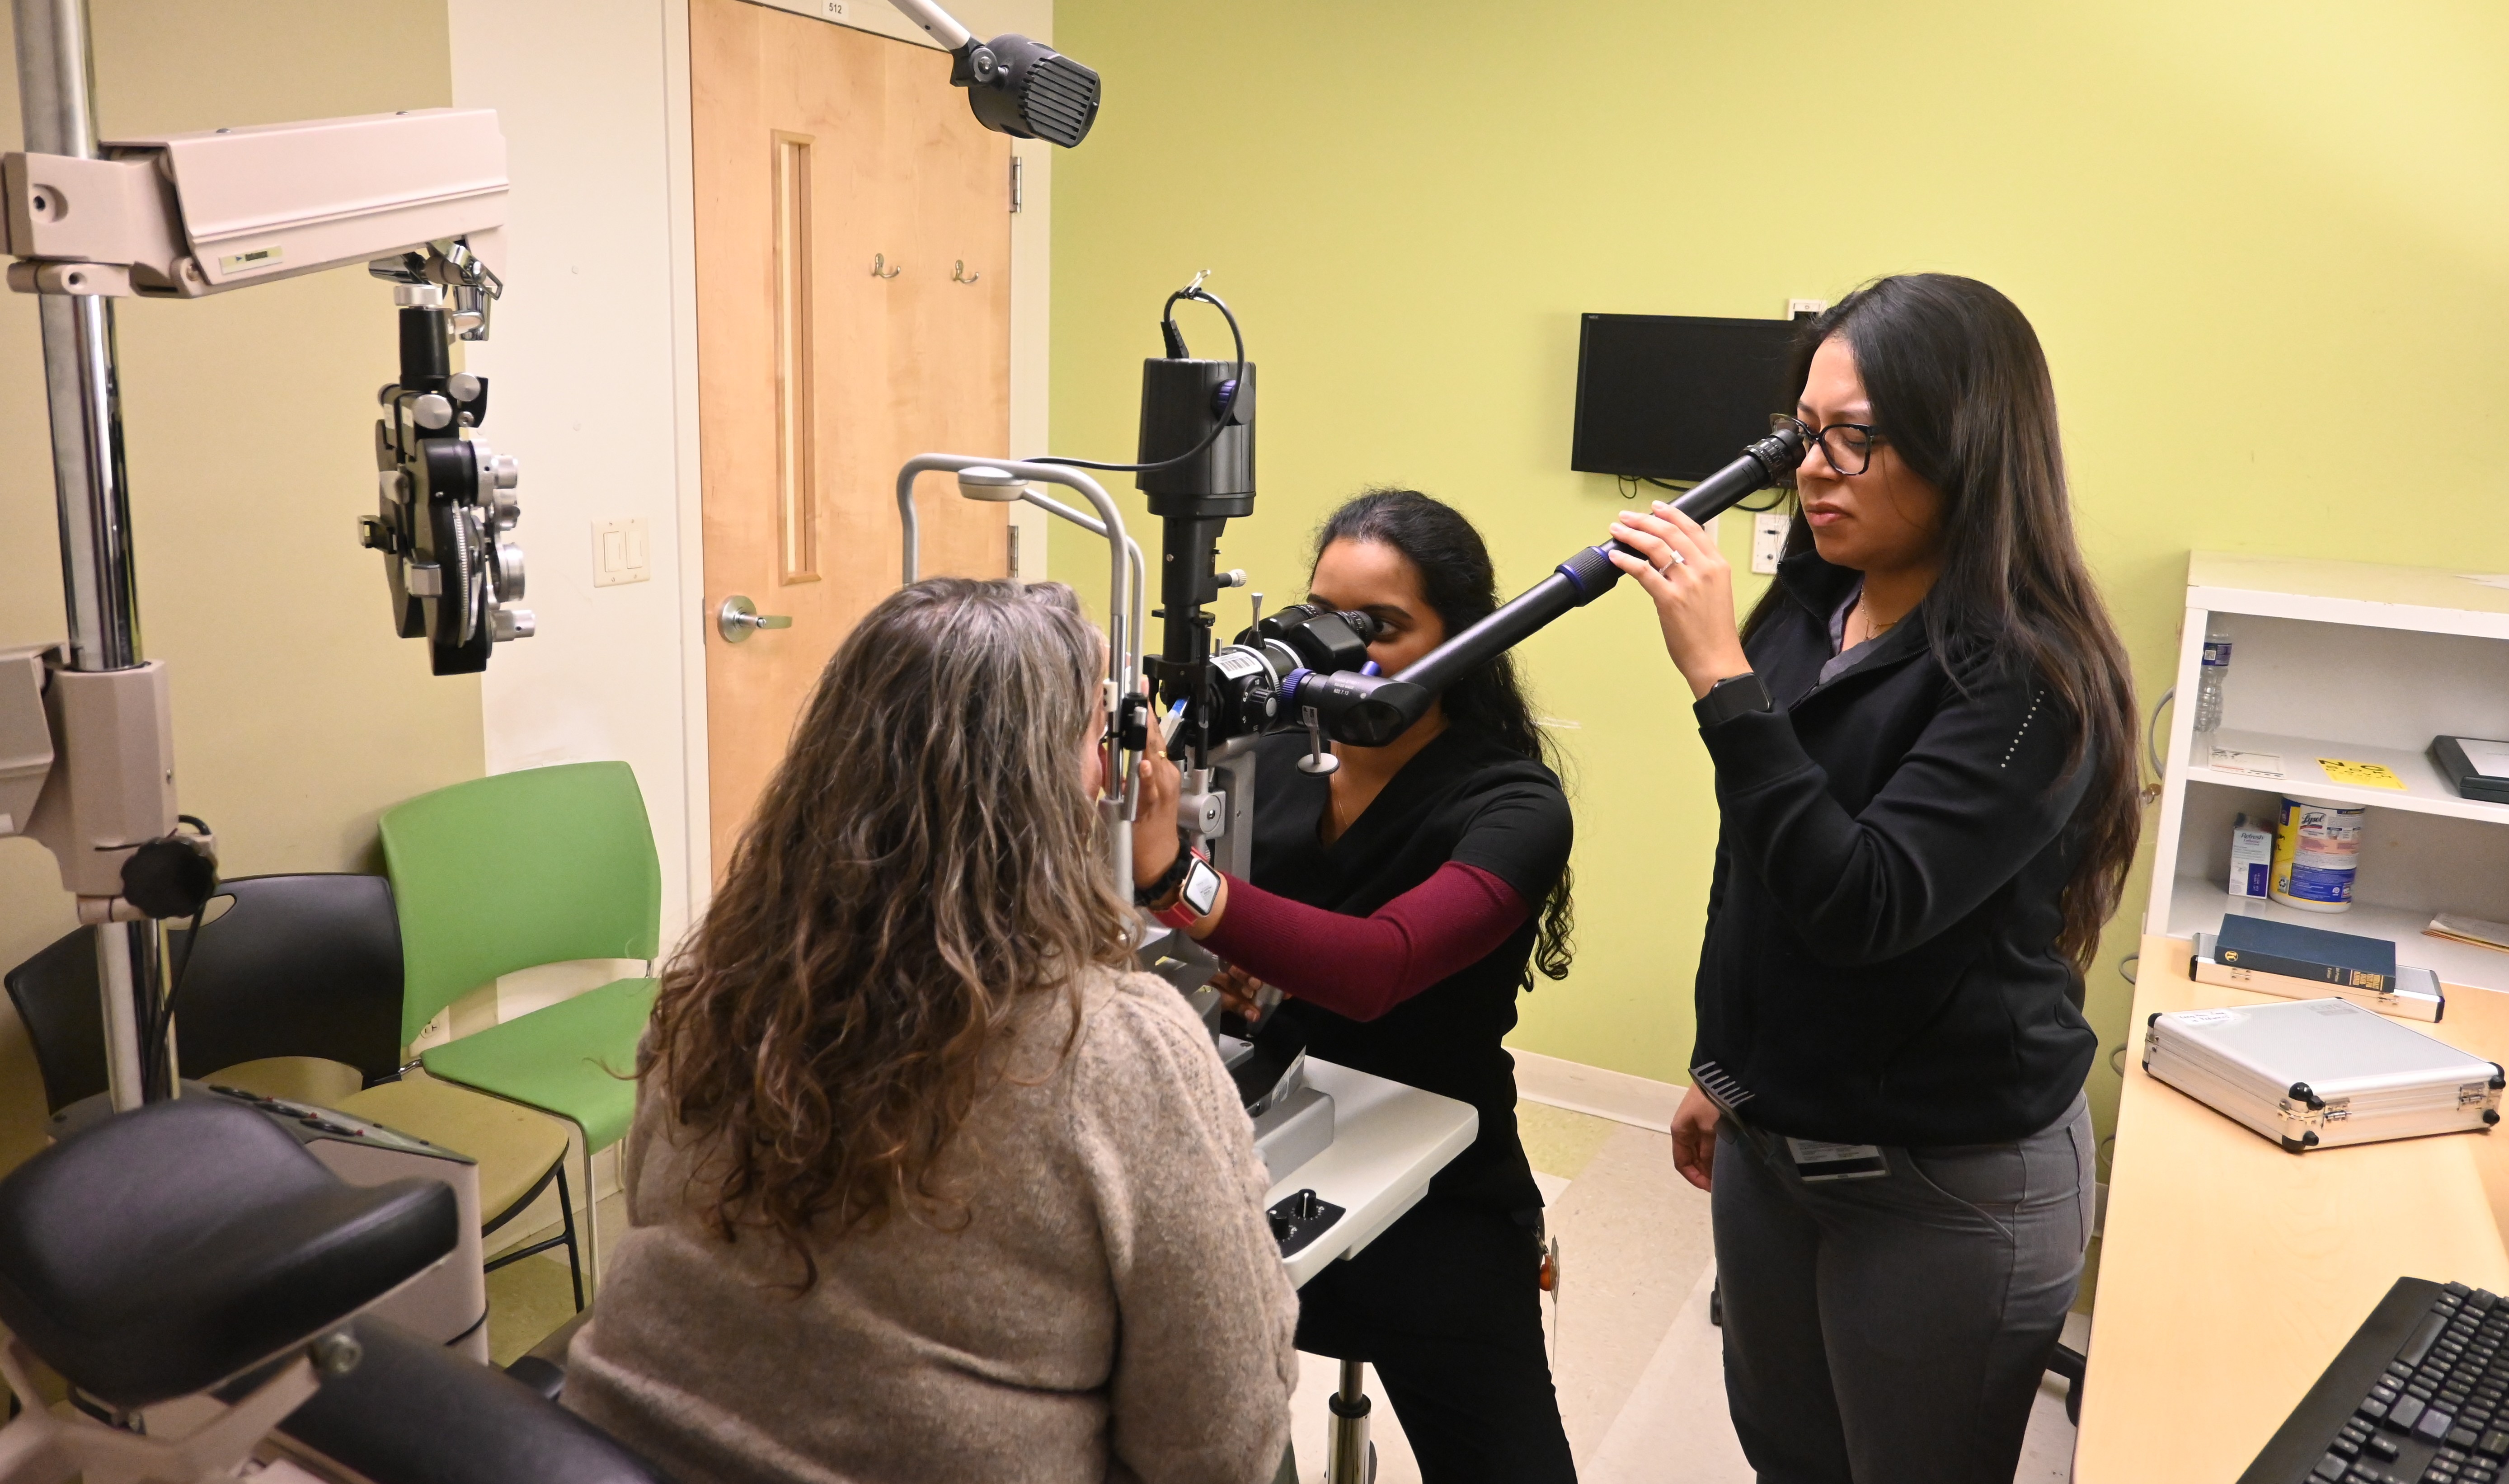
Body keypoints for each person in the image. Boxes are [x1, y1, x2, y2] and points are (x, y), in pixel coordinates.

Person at [565, 578, 1301, 1484]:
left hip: (618, 1449)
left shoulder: (714, 981)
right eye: (1092, 739)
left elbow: (648, 1203)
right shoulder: (1116, 1051)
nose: (1107, 767)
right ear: (1051, 786)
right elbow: (1221, 1446)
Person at [1604, 273, 2141, 1482]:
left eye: (1861, 438)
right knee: (1788, 1456)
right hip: (1776, 1141)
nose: (1815, 467)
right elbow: (1758, 855)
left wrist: (1719, 679)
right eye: (1806, 431)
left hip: (1948, 1180)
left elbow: (1865, 902)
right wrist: (1723, 1059)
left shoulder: (2030, 683)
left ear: (1968, 446)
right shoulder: (1812, 601)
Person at [1131, 490, 1580, 1484]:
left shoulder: (1513, 803)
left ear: (1463, 640)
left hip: (1433, 1181)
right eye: (1318, 617)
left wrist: (1182, 885)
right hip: (1258, 1156)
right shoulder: (1268, 761)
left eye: (1378, 627)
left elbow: (1378, 967)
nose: (1338, 652)